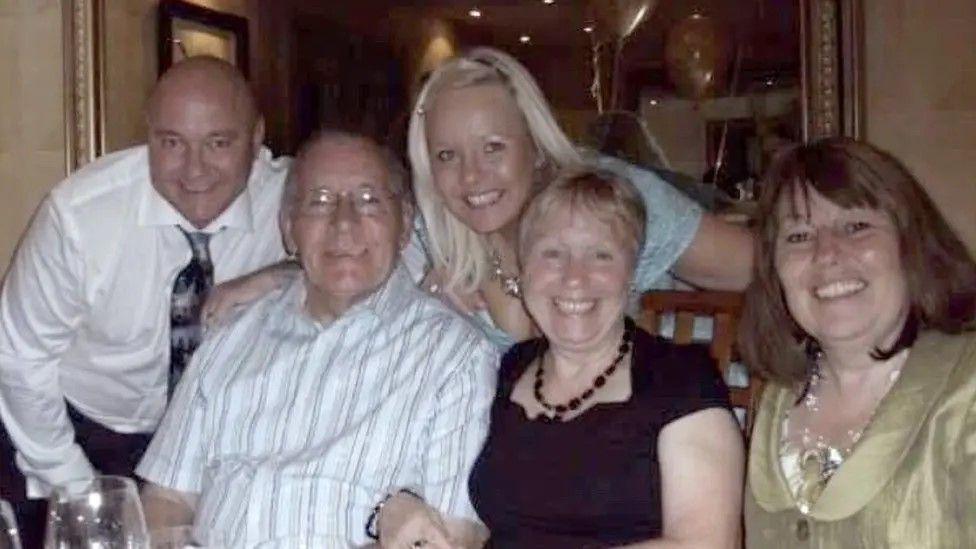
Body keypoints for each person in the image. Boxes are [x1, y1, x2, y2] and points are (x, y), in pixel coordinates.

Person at [205, 47, 753, 349]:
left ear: (535, 146)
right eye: (447, 156)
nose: (471, 177)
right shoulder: (435, 232)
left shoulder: (612, 201)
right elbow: (354, 250)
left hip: (670, 432)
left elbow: (763, 267)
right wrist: (276, 276)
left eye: (493, 147)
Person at [137, 132, 497, 547]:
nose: (343, 222)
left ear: (404, 226)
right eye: (320, 202)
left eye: (368, 200)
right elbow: (166, 498)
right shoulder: (229, 341)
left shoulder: (455, 357)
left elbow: (453, 536)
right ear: (290, 230)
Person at [0, 57, 288, 546]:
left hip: (206, 446)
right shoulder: (81, 217)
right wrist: (86, 500)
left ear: (257, 137)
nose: (194, 170)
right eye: (171, 142)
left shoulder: (293, 199)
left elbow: (389, 241)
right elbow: (20, 360)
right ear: (148, 135)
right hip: (66, 428)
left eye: (219, 142)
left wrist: (288, 271)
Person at [377, 170, 745, 548]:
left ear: (631, 272)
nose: (574, 277)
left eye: (600, 255)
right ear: (524, 270)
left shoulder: (680, 379)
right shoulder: (510, 367)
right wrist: (402, 511)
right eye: (552, 254)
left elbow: (704, 543)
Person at [739, 138, 976, 547]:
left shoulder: (966, 389)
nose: (827, 253)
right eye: (798, 236)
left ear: (911, 244)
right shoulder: (776, 400)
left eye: (856, 227)